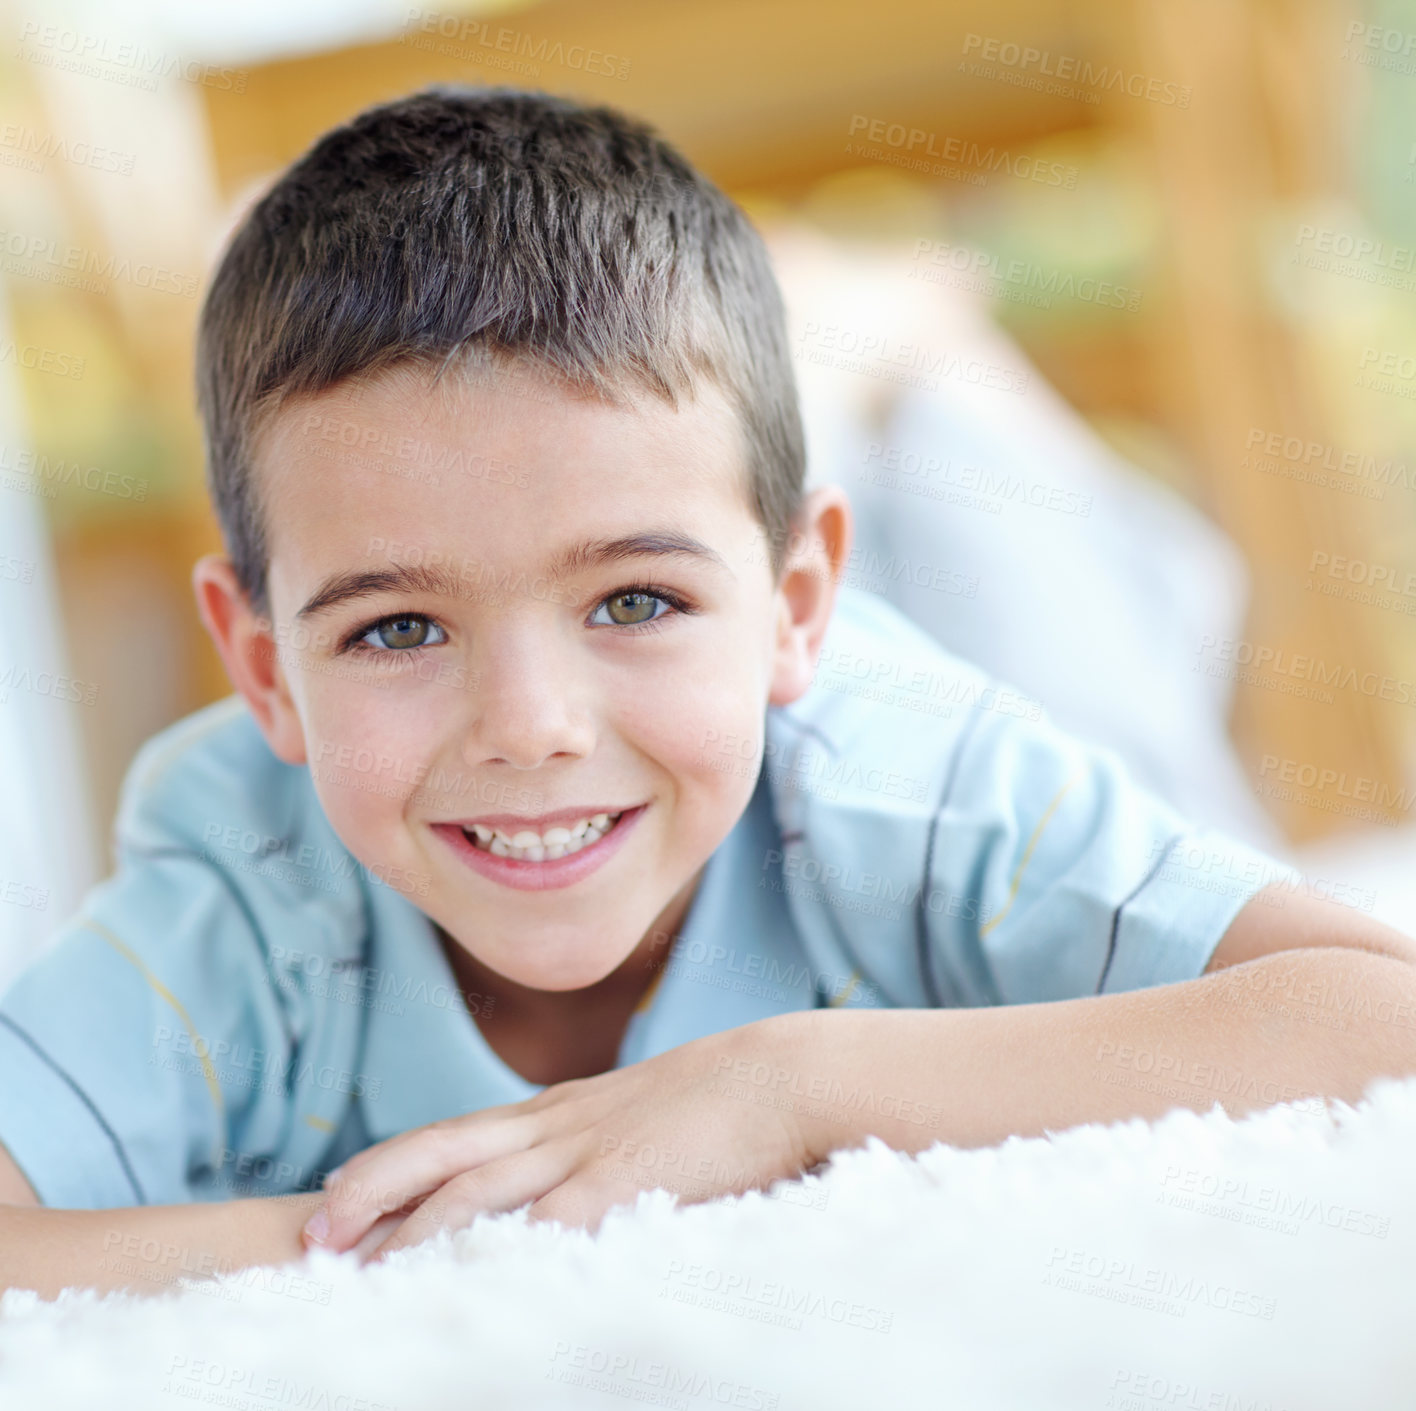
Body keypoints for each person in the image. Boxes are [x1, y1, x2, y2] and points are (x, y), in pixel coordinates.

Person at [4, 85, 1416, 1301]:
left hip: (975, 690)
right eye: (395, 628)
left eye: (634, 600)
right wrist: (414, 1226)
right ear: (265, 672)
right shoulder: (249, 880)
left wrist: (792, 1087)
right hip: (762, 618)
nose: (531, 724)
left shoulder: (908, 771)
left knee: (1051, 588)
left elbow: (1377, 1011)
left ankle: (911, 339)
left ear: (801, 609)